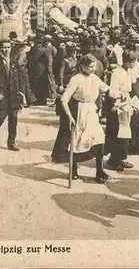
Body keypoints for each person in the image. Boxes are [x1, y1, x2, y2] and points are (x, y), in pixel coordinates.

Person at [54, 54, 111, 183]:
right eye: (90, 67)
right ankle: (73, 170)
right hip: (79, 112)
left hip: (91, 112)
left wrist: (120, 93)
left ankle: (99, 171)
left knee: (99, 139)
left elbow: (106, 89)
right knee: (77, 142)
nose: (93, 69)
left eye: (94, 66)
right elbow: (64, 100)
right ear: (82, 66)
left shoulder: (95, 78)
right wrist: (70, 117)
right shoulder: (76, 79)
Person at [105, 50, 139, 171]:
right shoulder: (117, 73)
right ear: (126, 61)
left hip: (125, 105)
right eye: (132, 61)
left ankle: (121, 157)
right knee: (117, 134)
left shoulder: (127, 72)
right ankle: (114, 160)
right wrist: (122, 94)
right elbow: (112, 92)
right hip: (118, 105)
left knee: (125, 133)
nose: (134, 64)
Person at [0, 39, 23, 151]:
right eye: (4, 47)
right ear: (0, 49)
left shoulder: (15, 61)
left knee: (13, 119)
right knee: (0, 118)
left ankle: (11, 143)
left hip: (14, 96)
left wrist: (21, 93)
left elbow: (19, 78)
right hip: (2, 96)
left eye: (8, 47)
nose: (6, 50)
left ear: (11, 48)